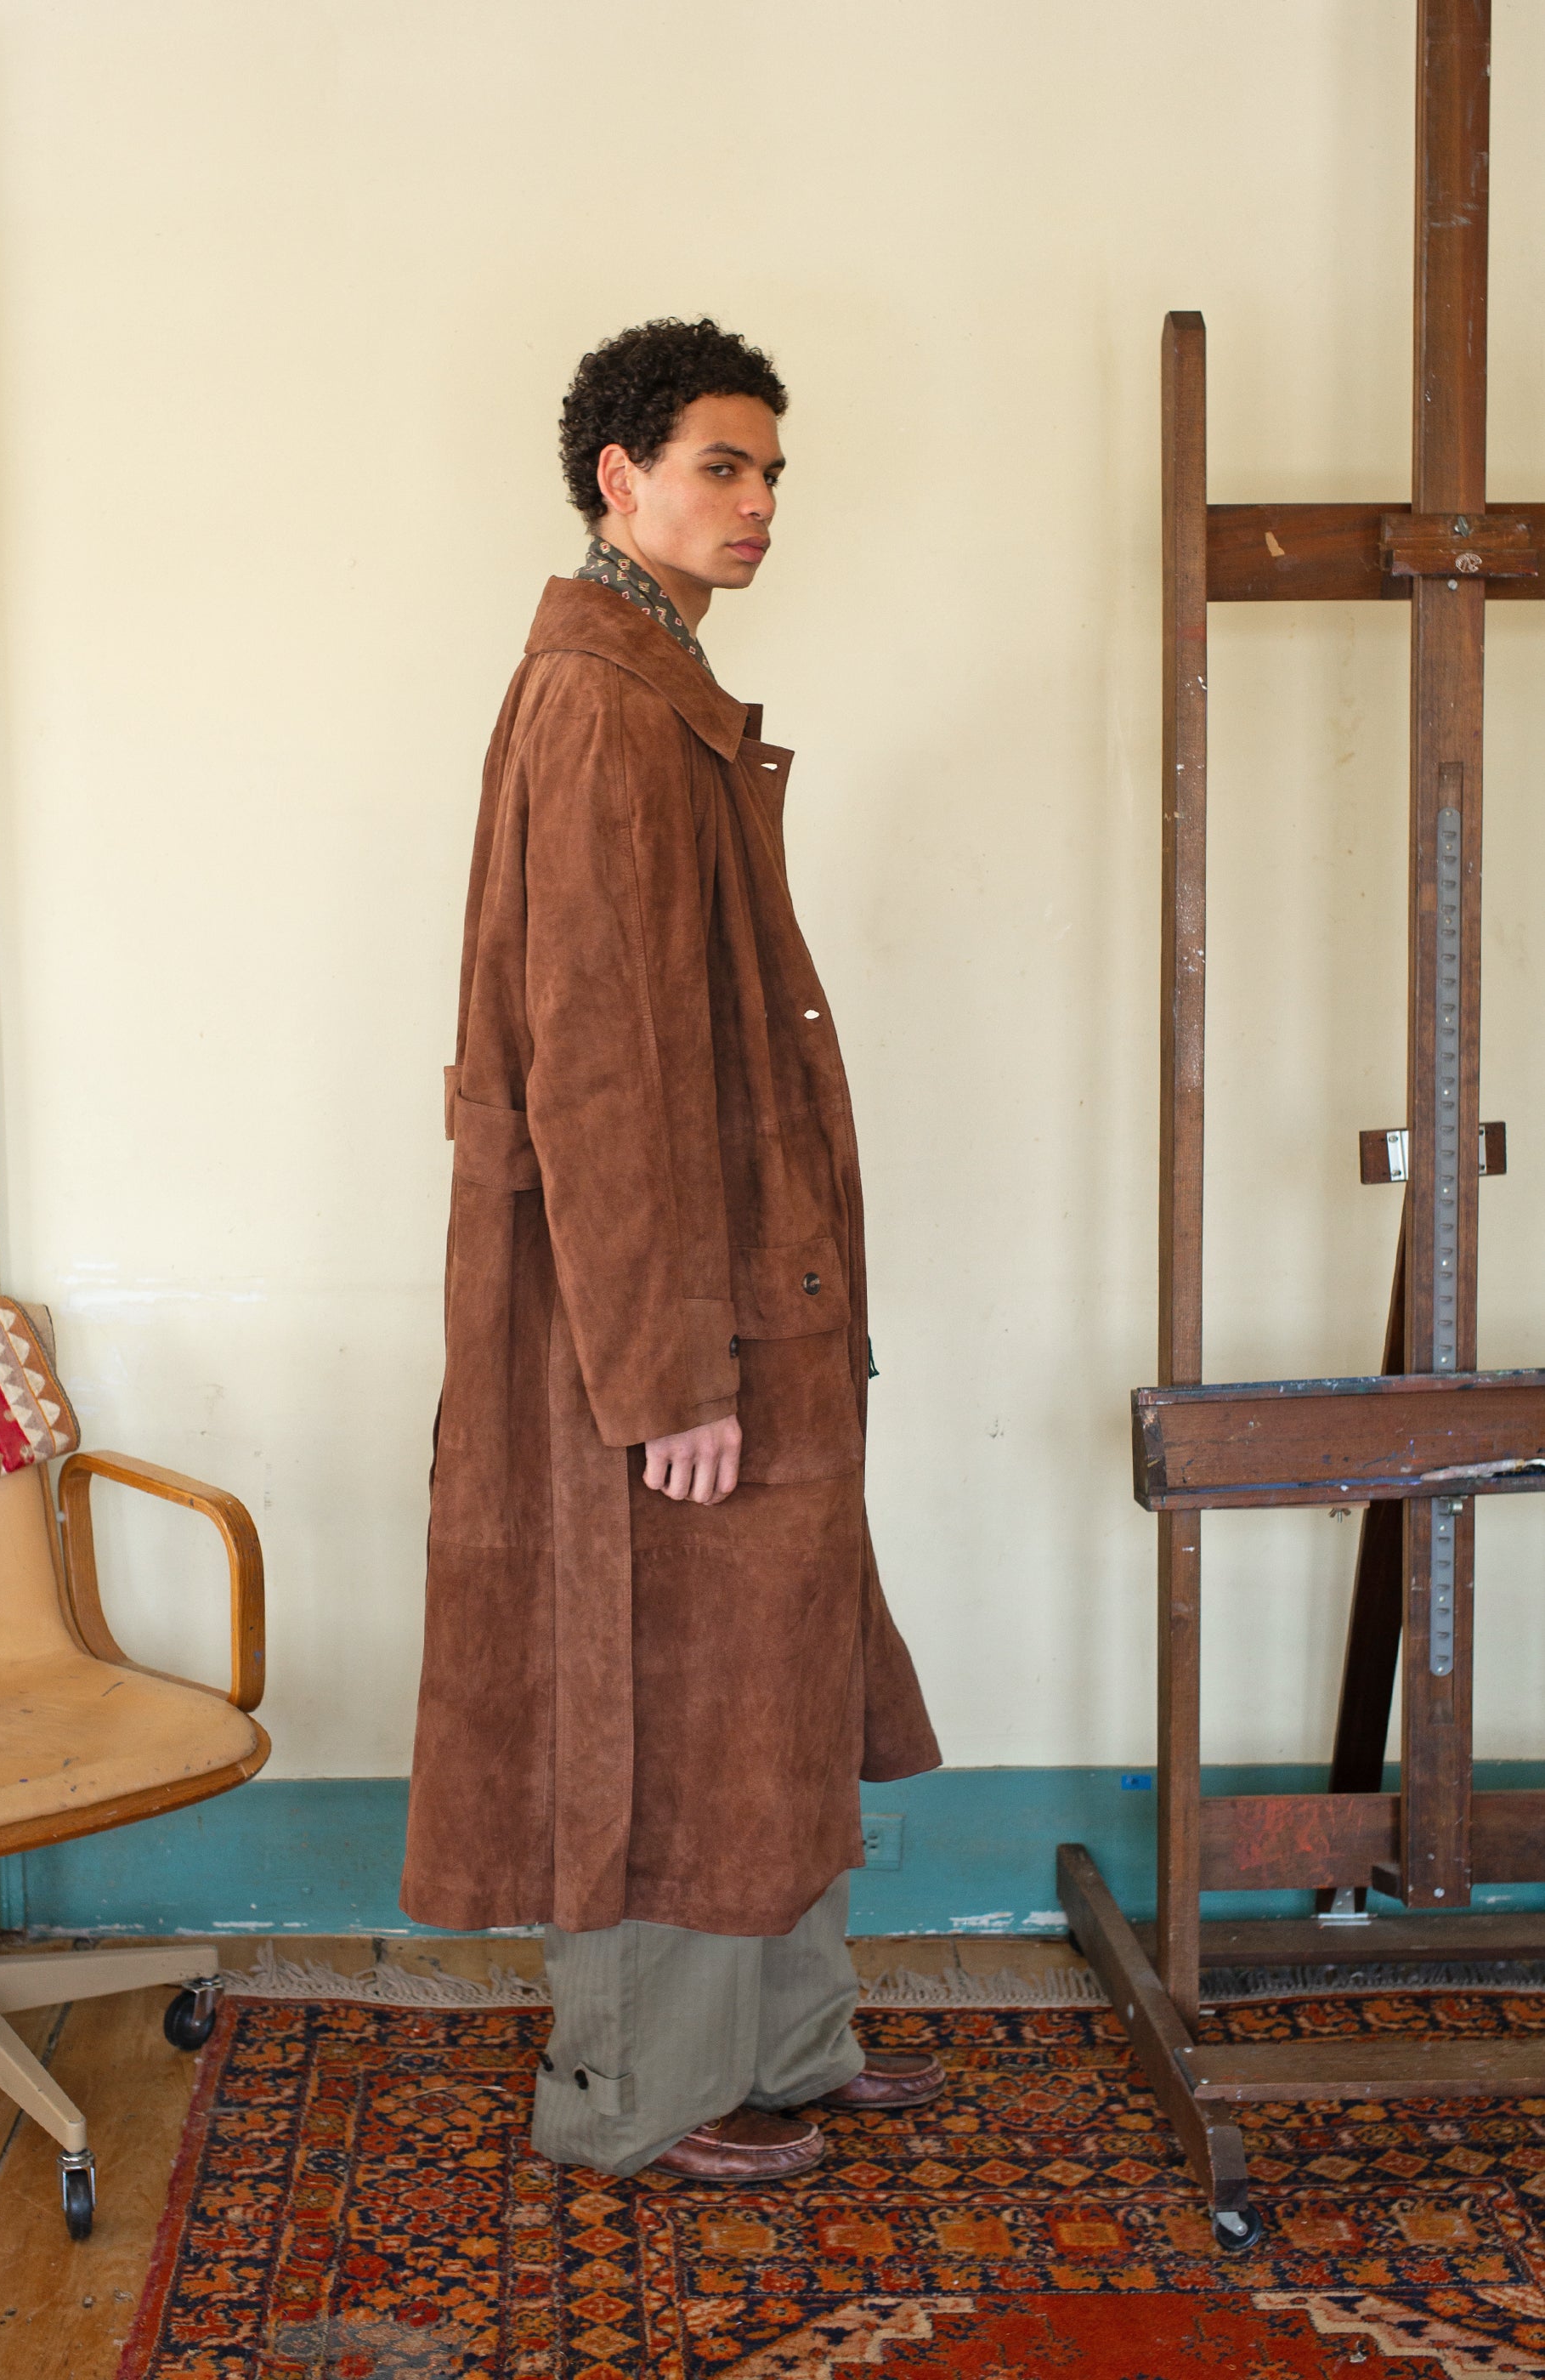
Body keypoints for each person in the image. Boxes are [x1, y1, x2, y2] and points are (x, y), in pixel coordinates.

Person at [401, 318, 942, 2183]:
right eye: (724, 464)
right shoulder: (609, 711)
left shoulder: (658, 687)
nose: (761, 500)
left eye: (774, 471)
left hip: (745, 1293)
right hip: (672, 1324)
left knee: (767, 1678)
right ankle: (636, 2095)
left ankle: (787, 2043)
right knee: (656, 1702)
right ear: (618, 477)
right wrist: (661, 1374)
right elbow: (605, 1076)